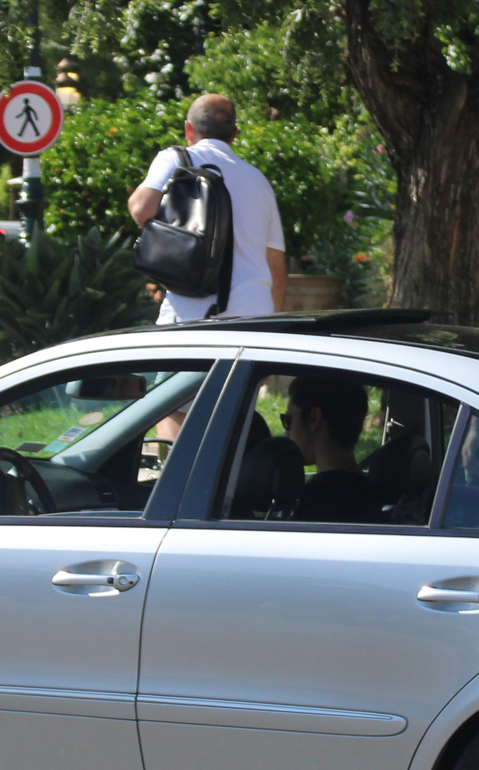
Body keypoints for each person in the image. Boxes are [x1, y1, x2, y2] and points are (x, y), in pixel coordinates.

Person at [126, 93, 286, 322]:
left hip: (190, 313)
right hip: (255, 313)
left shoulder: (175, 159)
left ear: (188, 130)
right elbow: (277, 272)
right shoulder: (259, 181)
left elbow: (141, 210)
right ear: (234, 135)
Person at [279, 373, 375, 523]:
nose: (286, 432)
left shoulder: (311, 503)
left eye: (288, 420)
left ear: (314, 418)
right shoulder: (370, 492)